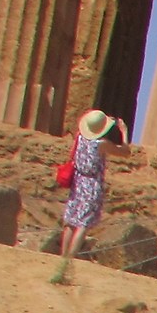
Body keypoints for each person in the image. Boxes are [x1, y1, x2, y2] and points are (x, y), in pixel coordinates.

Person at [53, 109, 126, 282]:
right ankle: (70, 259)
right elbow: (125, 151)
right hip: (92, 184)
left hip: (77, 181)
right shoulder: (101, 144)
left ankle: (62, 258)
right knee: (83, 224)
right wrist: (123, 131)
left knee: (71, 221)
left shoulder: (79, 137)